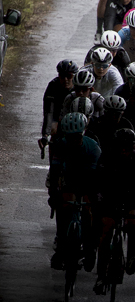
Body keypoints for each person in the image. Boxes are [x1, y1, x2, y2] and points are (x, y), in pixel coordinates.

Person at [93, 126, 135, 288]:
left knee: (133, 222)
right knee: (106, 231)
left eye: (128, 147)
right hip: (110, 196)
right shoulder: (106, 157)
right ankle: (101, 275)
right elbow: (99, 182)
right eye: (121, 147)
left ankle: (131, 255)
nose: (124, 151)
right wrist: (100, 200)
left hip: (130, 196)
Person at [48, 112, 102, 270]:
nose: (74, 141)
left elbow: (96, 179)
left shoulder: (93, 147)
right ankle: (61, 246)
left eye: (77, 137)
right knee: (63, 206)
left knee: (88, 210)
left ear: (83, 134)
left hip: (89, 178)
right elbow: (55, 172)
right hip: (69, 177)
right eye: (70, 138)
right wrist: (54, 193)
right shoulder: (61, 144)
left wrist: (93, 198)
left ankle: (90, 247)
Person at [41, 61, 78, 144]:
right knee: (54, 128)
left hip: (74, 115)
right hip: (58, 115)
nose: (65, 79)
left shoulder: (78, 86)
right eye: (62, 76)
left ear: (74, 76)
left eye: (69, 76)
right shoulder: (53, 85)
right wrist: (45, 134)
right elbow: (48, 112)